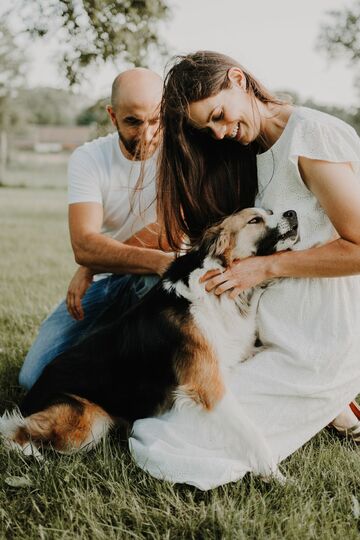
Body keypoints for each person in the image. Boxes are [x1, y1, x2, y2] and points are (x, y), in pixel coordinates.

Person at [129, 51, 360, 490]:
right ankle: (334, 407)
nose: (219, 132)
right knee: (179, 415)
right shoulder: (261, 148)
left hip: (321, 337)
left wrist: (262, 268)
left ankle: (331, 396)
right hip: (269, 335)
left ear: (238, 78)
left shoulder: (311, 137)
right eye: (208, 128)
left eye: (217, 115)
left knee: (171, 442)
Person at [19, 68, 173, 390]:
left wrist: (92, 264)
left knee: (150, 280)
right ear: (112, 115)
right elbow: (84, 245)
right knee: (32, 378)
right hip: (107, 281)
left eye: (156, 120)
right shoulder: (89, 158)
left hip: (152, 282)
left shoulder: (178, 155)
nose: (146, 135)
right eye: (133, 121)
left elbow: (169, 227)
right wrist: (93, 264)